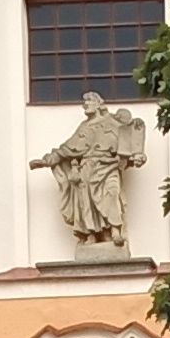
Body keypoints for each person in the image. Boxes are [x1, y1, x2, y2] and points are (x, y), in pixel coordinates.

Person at [33, 92, 145, 247]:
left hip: (108, 166)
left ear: (99, 104)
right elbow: (66, 149)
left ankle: (115, 231)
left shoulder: (113, 123)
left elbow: (128, 143)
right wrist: (46, 161)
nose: (85, 104)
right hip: (87, 167)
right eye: (84, 101)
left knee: (111, 194)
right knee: (86, 202)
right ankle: (91, 233)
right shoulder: (84, 127)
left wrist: (137, 156)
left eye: (90, 100)